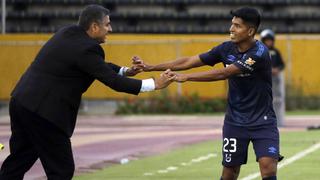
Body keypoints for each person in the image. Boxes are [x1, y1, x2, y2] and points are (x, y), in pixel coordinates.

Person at [0, 5, 174, 180]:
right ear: (94, 27)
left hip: (21, 102)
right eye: (107, 25)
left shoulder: (67, 33)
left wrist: (125, 70)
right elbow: (113, 82)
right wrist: (154, 84)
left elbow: (95, 66)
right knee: (61, 170)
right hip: (44, 112)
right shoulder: (88, 49)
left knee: (17, 162)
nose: (110, 29)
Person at [134, 7, 282, 180]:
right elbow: (190, 61)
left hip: (263, 121)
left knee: (268, 168)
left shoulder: (259, 52)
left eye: (237, 26)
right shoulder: (226, 49)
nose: (231, 29)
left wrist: (186, 77)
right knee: (230, 172)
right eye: (231, 24)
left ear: (250, 31)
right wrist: (151, 66)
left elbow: (224, 73)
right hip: (235, 121)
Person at [260, 29, 286, 127]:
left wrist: (277, 69)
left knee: (277, 100)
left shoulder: (276, 52)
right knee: (263, 100)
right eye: (266, 40)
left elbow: (282, 64)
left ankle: (278, 120)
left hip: (275, 80)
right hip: (263, 79)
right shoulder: (259, 51)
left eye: (270, 40)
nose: (268, 42)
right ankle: (263, 121)